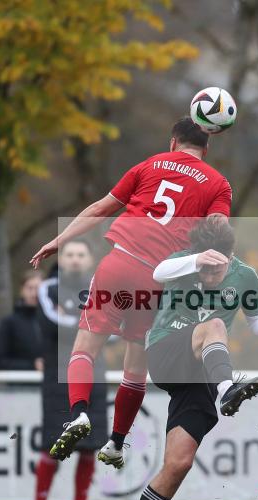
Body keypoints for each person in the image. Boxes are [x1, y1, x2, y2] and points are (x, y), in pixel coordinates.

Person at [29, 118, 232, 466]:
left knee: (84, 348)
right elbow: (220, 235)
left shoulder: (147, 166)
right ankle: (117, 442)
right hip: (159, 279)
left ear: (173, 142)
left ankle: (79, 413)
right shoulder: (218, 184)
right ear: (207, 149)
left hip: (119, 264)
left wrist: (58, 242)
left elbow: (98, 210)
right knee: (135, 365)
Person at [108, 219, 258, 500]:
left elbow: (257, 321)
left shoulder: (245, 275)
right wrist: (197, 260)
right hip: (165, 352)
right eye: (203, 269)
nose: (207, 277)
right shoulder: (183, 261)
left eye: (214, 270)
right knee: (215, 325)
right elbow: (160, 271)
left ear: (230, 257)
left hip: (201, 369)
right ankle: (226, 390)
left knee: (179, 462)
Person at [34, 239, 108, 500]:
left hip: (94, 377)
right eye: (70, 254)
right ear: (61, 259)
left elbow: (113, 333)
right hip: (57, 377)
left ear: (89, 259)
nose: (75, 259)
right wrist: (90, 321)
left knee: (90, 446)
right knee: (51, 444)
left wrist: (83, 321)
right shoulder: (48, 289)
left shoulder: (100, 289)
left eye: (81, 253)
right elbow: (51, 324)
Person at [0, 271, 43, 371]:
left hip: (52, 384)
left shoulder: (55, 322)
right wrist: (33, 365)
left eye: (38, 288)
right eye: (29, 288)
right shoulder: (8, 323)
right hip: (20, 385)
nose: (34, 293)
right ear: (22, 290)